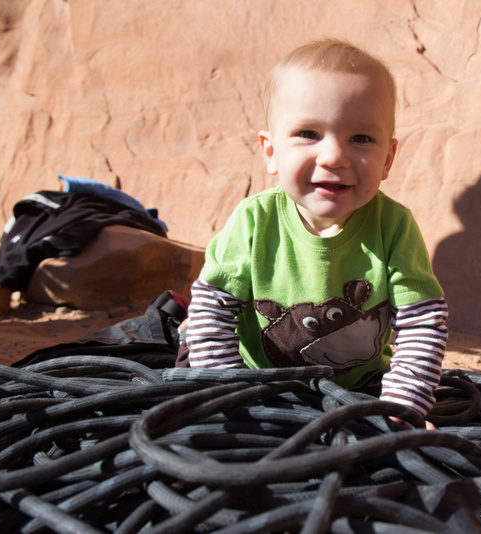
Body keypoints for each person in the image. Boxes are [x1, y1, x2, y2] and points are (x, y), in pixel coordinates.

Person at [183, 38, 448, 419]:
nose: (334, 157)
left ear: (388, 158)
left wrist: (401, 408)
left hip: (358, 388)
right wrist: (228, 395)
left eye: (360, 138)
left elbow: (423, 322)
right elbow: (212, 311)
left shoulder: (394, 226)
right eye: (308, 134)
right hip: (250, 379)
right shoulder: (254, 221)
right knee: (185, 381)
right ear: (271, 152)